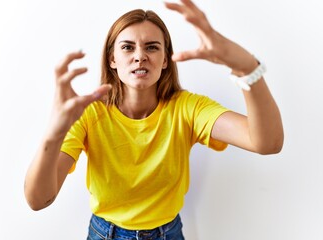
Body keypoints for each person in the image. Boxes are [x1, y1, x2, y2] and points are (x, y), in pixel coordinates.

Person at [24, 0, 284, 239]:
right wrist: (53, 134)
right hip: (105, 233)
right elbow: (38, 201)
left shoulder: (187, 108)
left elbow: (267, 143)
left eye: (152, 47)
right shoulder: (89, 112)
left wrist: (246, 67)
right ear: (112, 59)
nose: (140, 56)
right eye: (127, 47)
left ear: (164, 60)